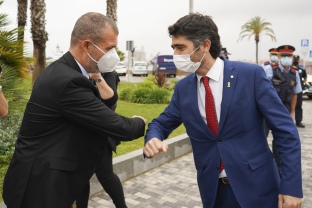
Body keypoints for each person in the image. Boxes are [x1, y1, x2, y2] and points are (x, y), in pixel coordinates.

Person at [143, 13, 302, 208]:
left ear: (205, 46)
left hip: (258, 188)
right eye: (174, 48)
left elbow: (285, 131)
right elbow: (161, 122)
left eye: (181, 48)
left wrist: (291, 187)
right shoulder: (183, 89)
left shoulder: (250, 75)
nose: (176, 55)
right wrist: (153, 137)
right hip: (214, 192)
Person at [2, 12, 146, 208]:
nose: (113, 55)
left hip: (47, 179)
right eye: (109, 48)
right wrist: (140, 122)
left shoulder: (67, 71)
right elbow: (116, 125)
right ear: (86, 45)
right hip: (38, 187)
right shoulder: (68, 81)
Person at [76, 71, 128, 208]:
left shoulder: (108, 73)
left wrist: (97, 77)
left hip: (101, 133)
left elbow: (110, 100)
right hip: (80, 132)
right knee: (80, 176)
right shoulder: (78, 71)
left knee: (105, 175)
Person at [262, 45, 302, 171]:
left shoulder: (294, 73)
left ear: (292, 56)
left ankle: (278, 166)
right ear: (278, 57)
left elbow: (295, 93)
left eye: (288, 56)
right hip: (268, 107)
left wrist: (292, 112)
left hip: (284, 107)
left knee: (281, 138)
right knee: (262, 135)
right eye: (283, 55)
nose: (286, 58)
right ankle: (262, 163)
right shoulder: (269, 70)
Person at [261, 47, 279, 137]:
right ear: (270, 55)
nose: (274, 56)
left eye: (276, 55)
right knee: (265, 129)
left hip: (280, 97)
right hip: (267, 100)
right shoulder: (265, 67)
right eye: (273, 55)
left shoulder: (281, 68)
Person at [293, 55, 307, 128]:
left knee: (298, 106)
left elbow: (305, 77)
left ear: (298, 60)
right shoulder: (290, 68)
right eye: (294, 59)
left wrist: (302, 84)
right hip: (291, 89)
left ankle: (298, 121)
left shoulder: (302, 68)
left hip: (299, 90)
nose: (295, 60)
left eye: (296, 59)